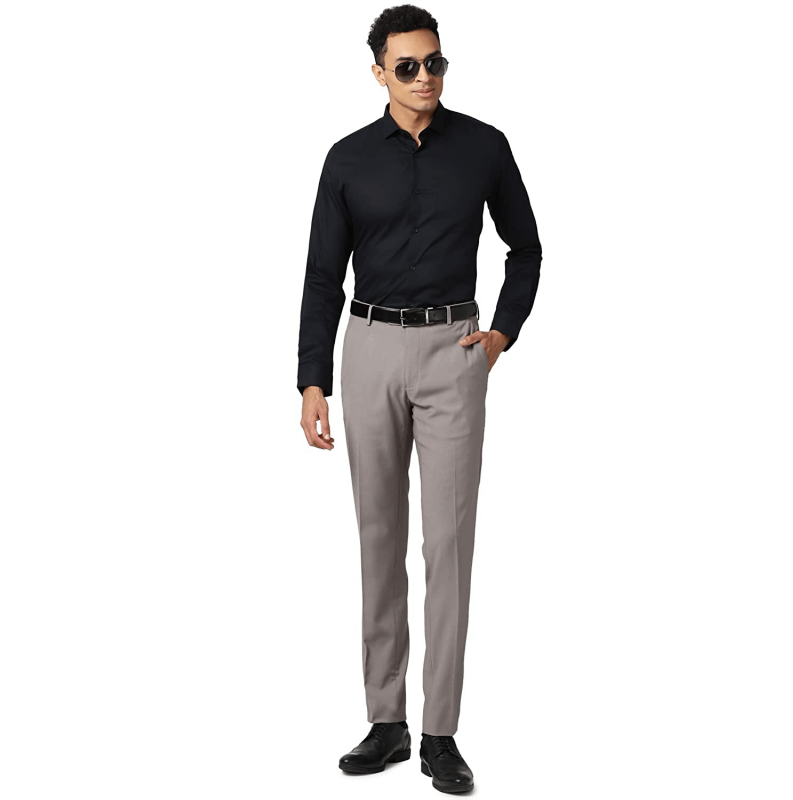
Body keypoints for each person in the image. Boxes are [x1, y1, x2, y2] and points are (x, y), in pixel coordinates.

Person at [297, 5, 542, 792]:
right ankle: (386, 722)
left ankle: (440, 733)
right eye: (407, 66)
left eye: (435, 62)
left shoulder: (484, 147)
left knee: (449, 546)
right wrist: (312, 380)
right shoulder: (346, 159)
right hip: (368, 348)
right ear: (379, 74)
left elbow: (527, 249)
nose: (425, 77)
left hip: (453, 350)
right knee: (378, 539)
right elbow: (322, 276)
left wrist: (500, 336)